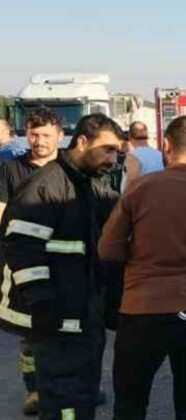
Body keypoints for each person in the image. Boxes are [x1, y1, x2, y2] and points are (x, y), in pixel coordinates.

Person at [98, 115, 186, 420]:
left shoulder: (138, 190)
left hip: (141, 312)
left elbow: (107, 249)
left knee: (129, 407)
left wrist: (141, 252)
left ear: (166, 145)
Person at [2, 113, 123, 420]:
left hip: (83, 314)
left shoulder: (86, 184)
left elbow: (121, 209)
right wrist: (44, 304)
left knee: (81, 395)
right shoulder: (45, 188)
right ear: (82, 141)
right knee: (64, 403)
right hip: (58, 318)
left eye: (117, 152)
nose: (113, 158)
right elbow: (21, 248)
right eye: (107, 149)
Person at [0, 107, 64, 416]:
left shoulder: (68, 170)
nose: (38, 140)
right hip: (24, 266)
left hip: (64, 267)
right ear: (26, 133)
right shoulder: (10, 170)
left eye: (45, 135)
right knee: (30, 336)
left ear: (59, 136)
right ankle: (35, 389)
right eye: (33, 134)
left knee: (67, 333)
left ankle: (67, 385)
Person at [123, 121, 163, 187]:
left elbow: (130, 184)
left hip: (140, 196)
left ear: (129, 136)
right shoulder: (160, 155)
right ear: (147, 136)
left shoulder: (132, 156)